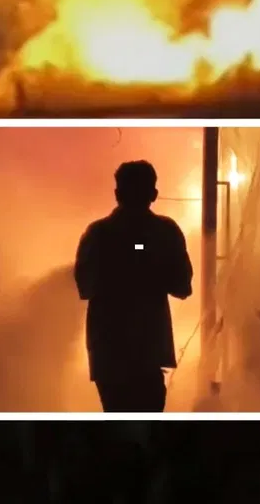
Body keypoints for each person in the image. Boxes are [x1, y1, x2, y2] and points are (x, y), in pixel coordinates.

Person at [74, 160, 194, 412]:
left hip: (109, 353)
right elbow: (183, 286)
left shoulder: (98, 234)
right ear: (154, 194)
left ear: (117, 194)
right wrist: (150, 266)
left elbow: (84, 287)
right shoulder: (165, 232)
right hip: (148, 352)